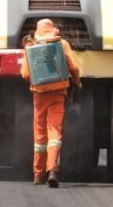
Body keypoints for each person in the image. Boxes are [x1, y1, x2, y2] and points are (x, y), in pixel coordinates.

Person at [20, 19, 81, 187]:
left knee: (40, 135)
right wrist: (76, 82)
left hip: (39, 96)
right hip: (58, 94)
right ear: (54, 29)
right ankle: (52, 170)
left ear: (38, 31)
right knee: (54, 131)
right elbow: (74, 68)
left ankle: (38, 175)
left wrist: (38, 79)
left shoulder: (30, 46)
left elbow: (25, 73)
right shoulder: (62, 44)